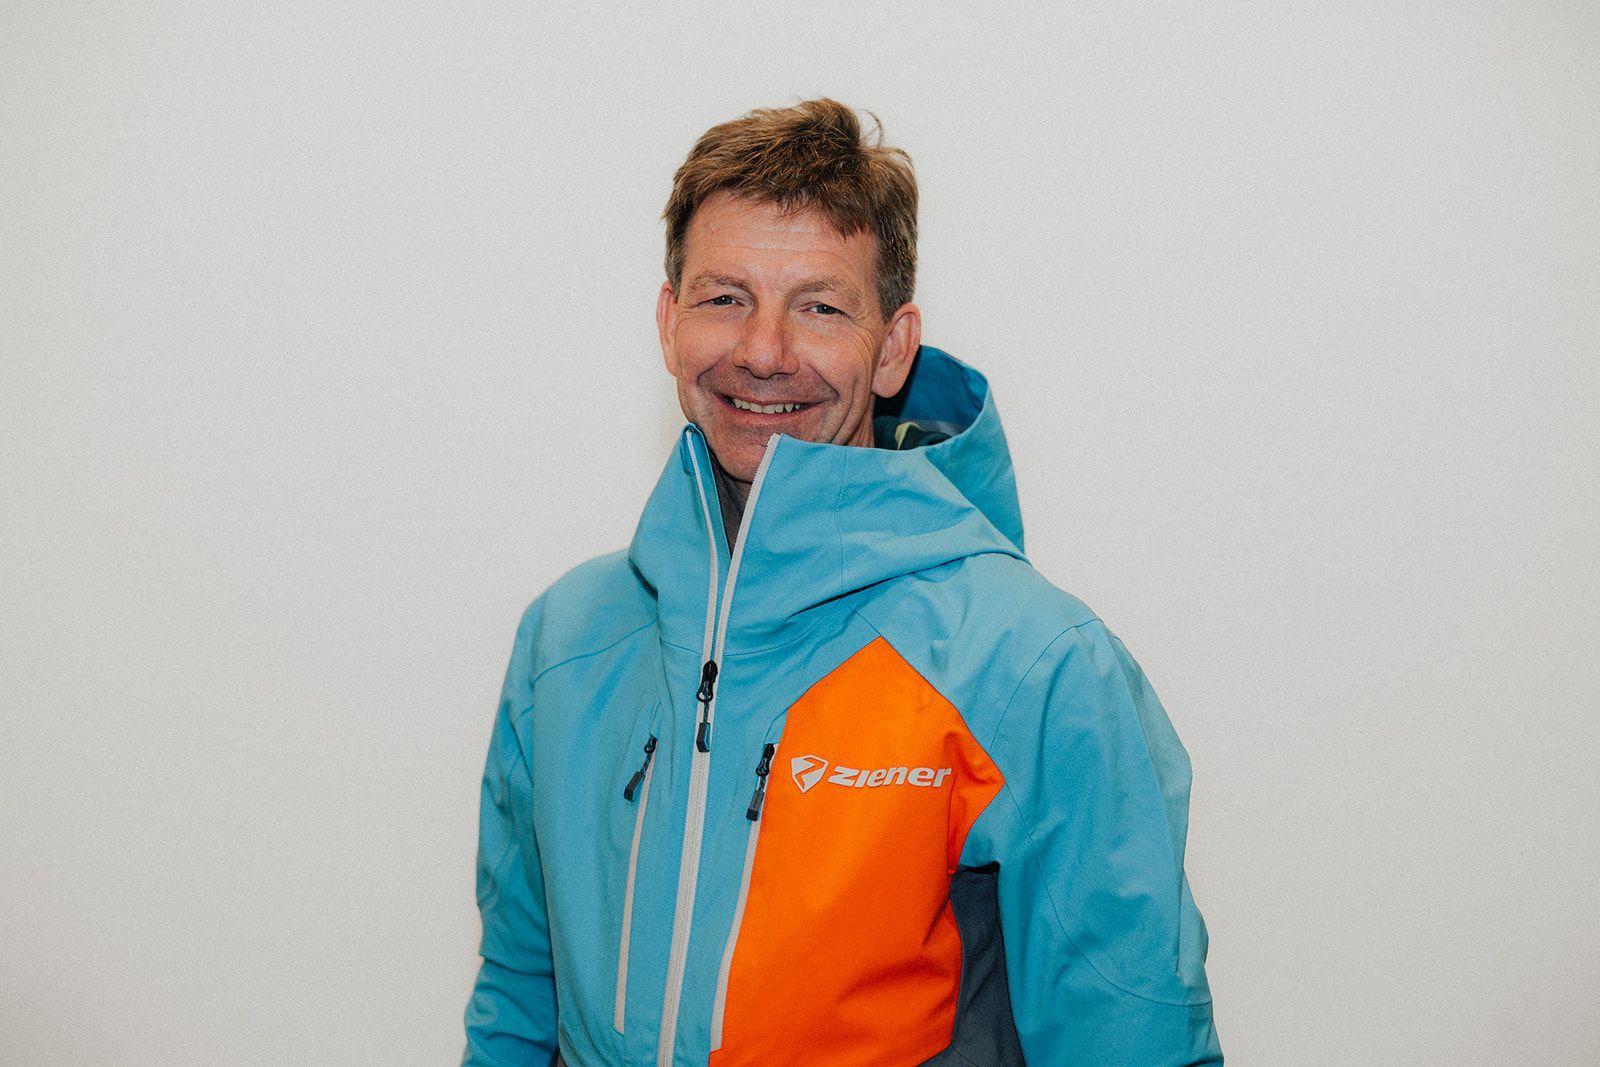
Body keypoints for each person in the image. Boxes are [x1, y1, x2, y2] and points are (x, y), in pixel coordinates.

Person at [462, 99, 1222, 1066]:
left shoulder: (1031, 666)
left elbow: (1133, 1037)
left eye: (820, 306)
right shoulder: (568, 640)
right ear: (667, 321)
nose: (763, 350)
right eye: (723, 297)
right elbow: (517, 1001)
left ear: (895, 345)